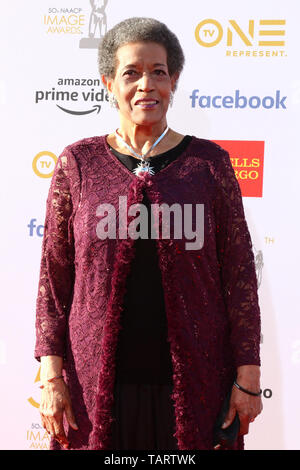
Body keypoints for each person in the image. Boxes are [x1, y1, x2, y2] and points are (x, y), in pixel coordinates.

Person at [34, 17, 262, 451]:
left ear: (174, 80)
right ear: (108, 82)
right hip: (95, 387)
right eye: (132, 72)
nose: (146, 85)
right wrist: (50, 375)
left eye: (159, 72)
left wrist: (248, 375)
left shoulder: (209, 165)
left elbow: (239, 276)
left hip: (197, 383)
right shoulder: (76, 165)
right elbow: (54, 280)